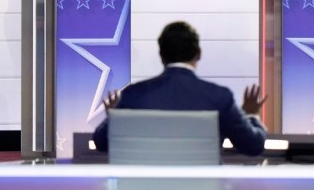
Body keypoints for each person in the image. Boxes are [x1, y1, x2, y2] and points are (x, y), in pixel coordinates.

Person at [92, 20, 268, 157]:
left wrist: (113, 116)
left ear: (161, 55)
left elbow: (101, 143)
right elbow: (253, 146)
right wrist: (252, 115)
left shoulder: (133, 95)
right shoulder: (220, 98)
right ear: (198, 54)